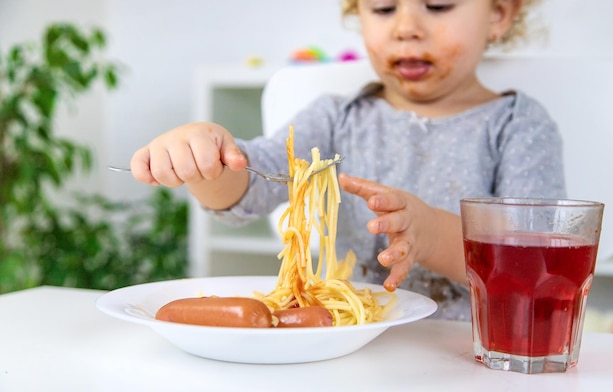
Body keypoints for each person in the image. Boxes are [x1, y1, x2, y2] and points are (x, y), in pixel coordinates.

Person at [130, 0, 566, 320]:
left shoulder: (517, 125)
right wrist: (207, 158)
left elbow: (532, 264)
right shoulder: (336, 118)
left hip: (473, 349)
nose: (407, 28)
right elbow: (253, 183)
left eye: (438, 5)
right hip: (351, 339)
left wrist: (429, 235)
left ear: (498, 14)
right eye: (382, 9)